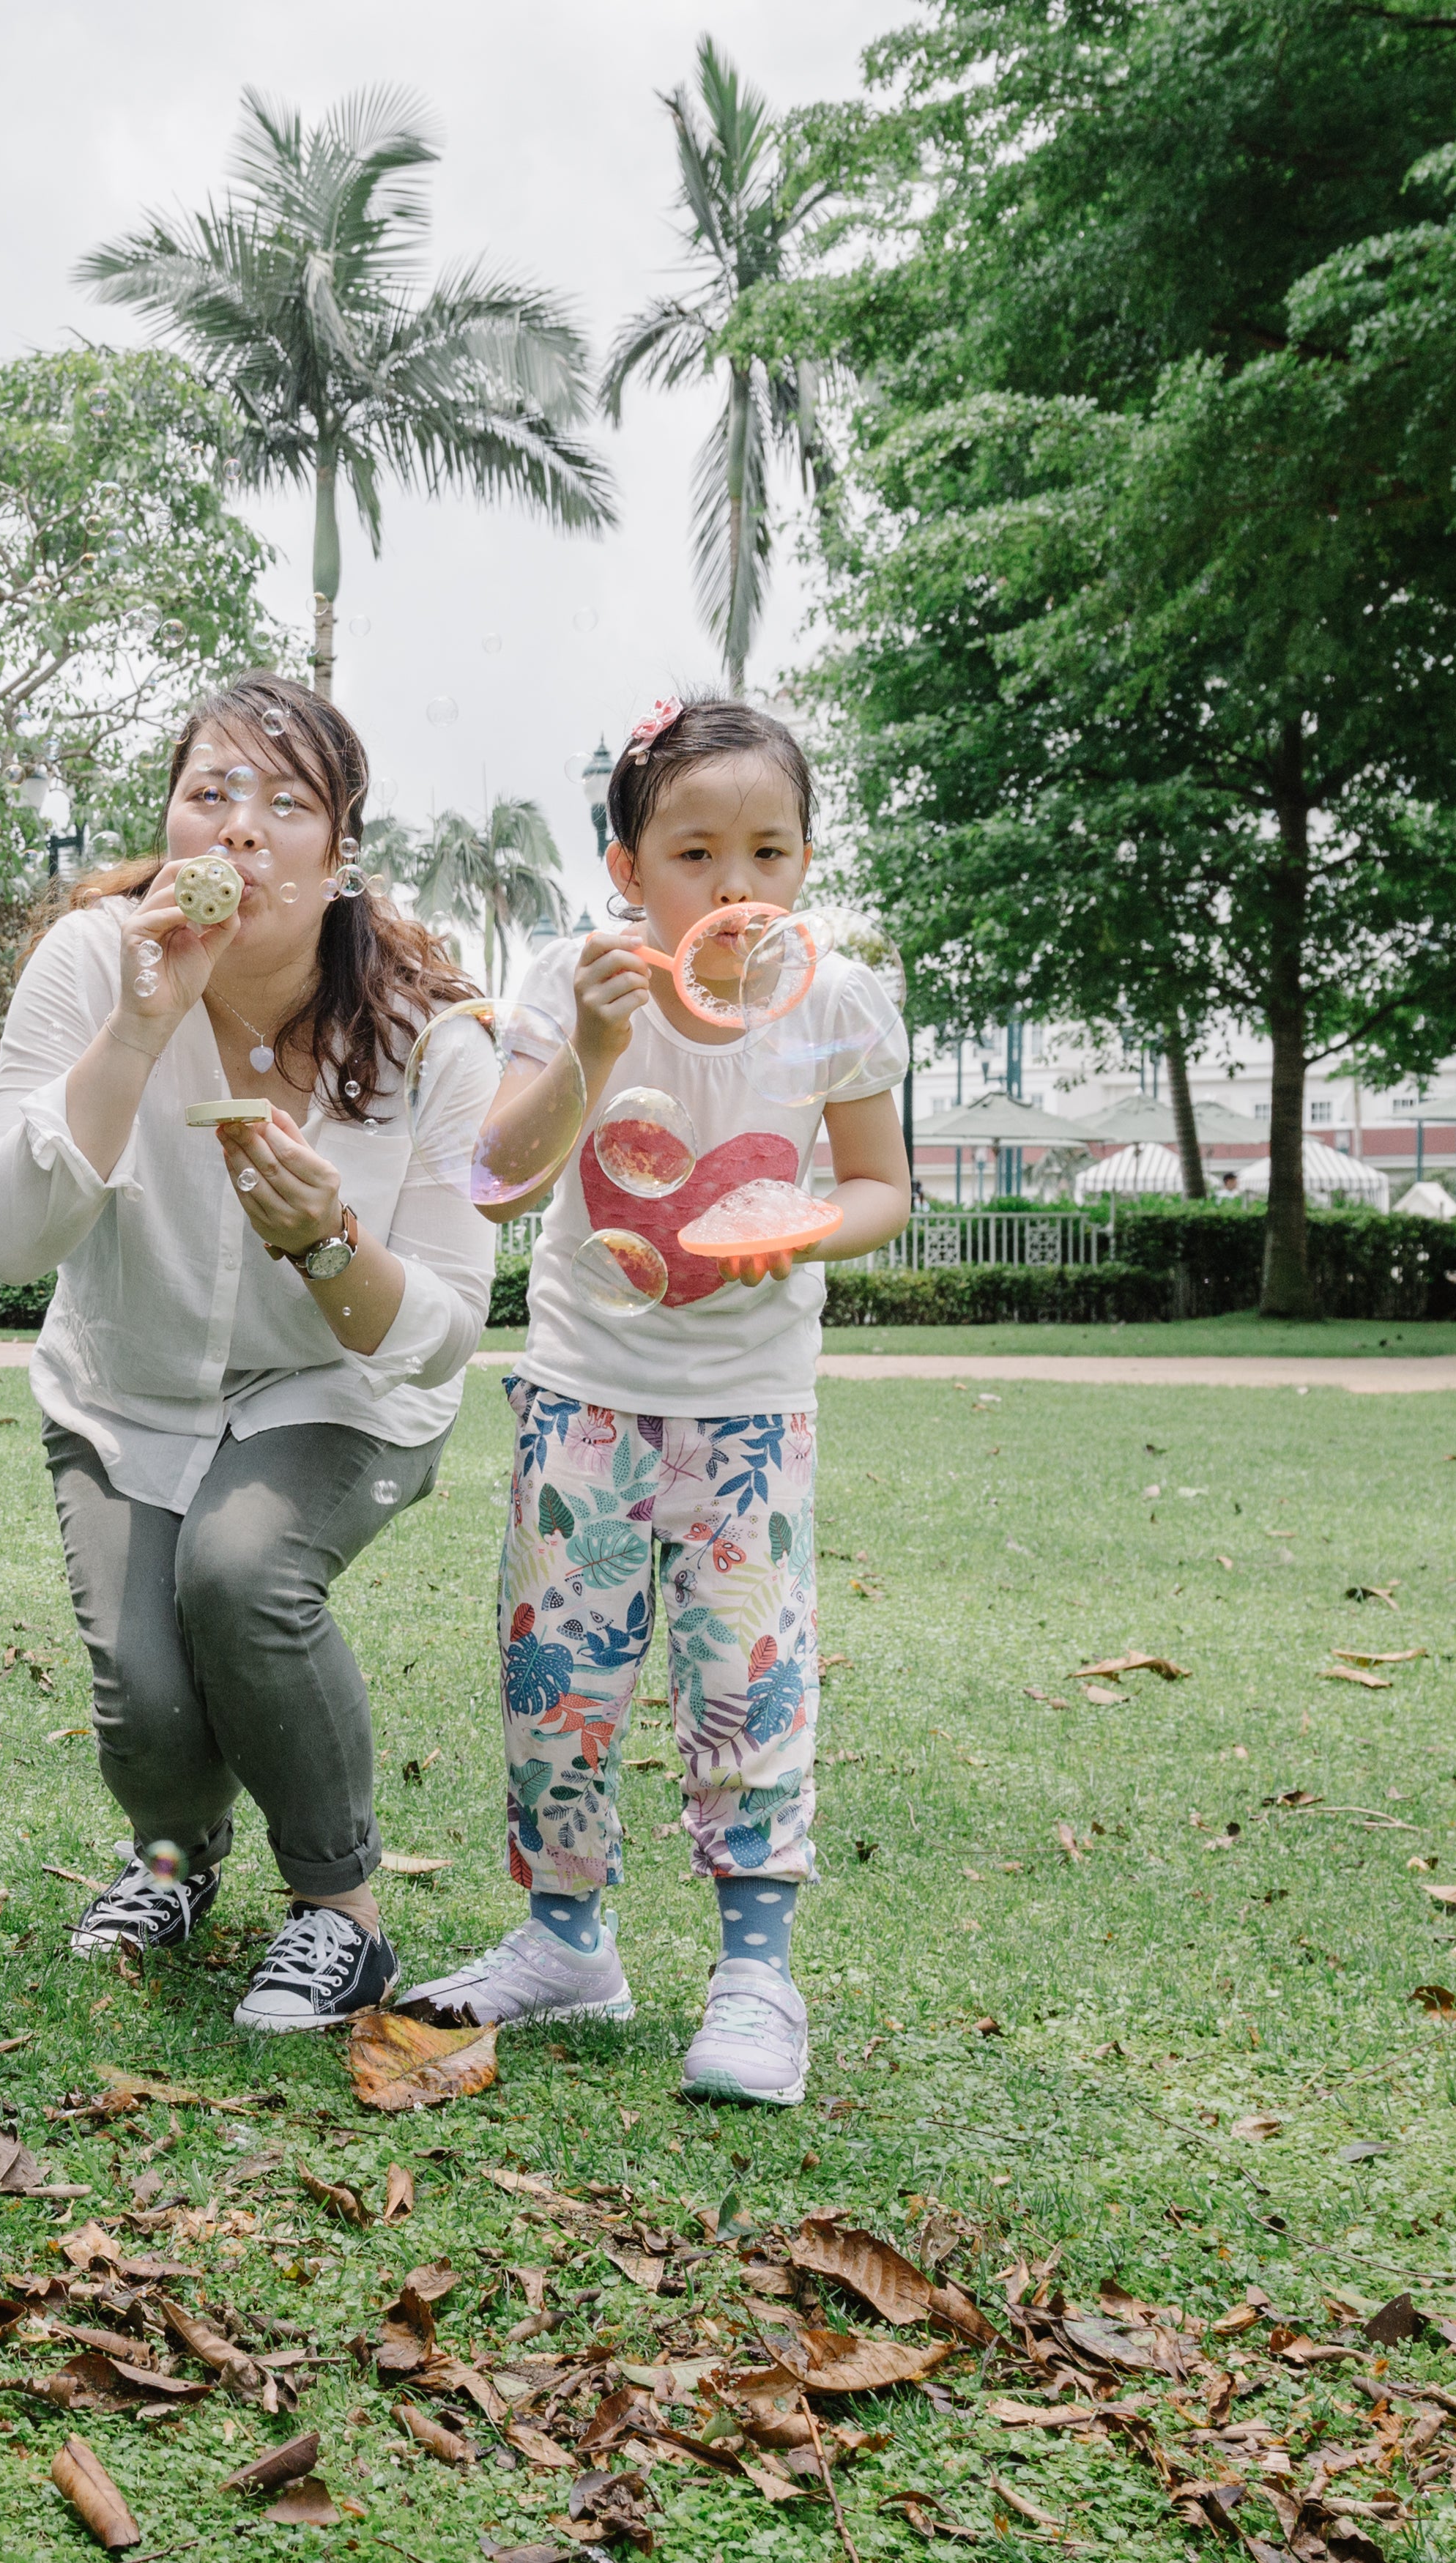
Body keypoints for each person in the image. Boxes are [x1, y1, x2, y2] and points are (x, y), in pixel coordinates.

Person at [0, 676, 496, 2032]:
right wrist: (143, 1026)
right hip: (124, 1383)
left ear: (342, 855)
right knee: (146, 1702)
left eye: (286, 803)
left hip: (340, 1386)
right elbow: (7, 1243)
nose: (241, 830)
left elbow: (436, 1339)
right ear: (172, 824)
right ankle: (177, 1862)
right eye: (211, 793)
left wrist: (331, 1246)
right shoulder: (94, 964)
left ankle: (341, 1917)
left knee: (240, 1571)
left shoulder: (427, 1034)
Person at [402, 697, 912, 2109]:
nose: (735, 888)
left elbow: (881, 1189)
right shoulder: (573, 977)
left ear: (806, 860)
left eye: (768, 850)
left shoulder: (841, 999)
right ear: (628, 871)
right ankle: (565, 1943)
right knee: (555, 1687)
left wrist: (796, 1228)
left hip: (753, 1412)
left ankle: (755, 1979)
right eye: (695, 855)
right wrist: (590, 1047)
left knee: (750, 1687)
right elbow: (497, 1181)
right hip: (585, 1405)